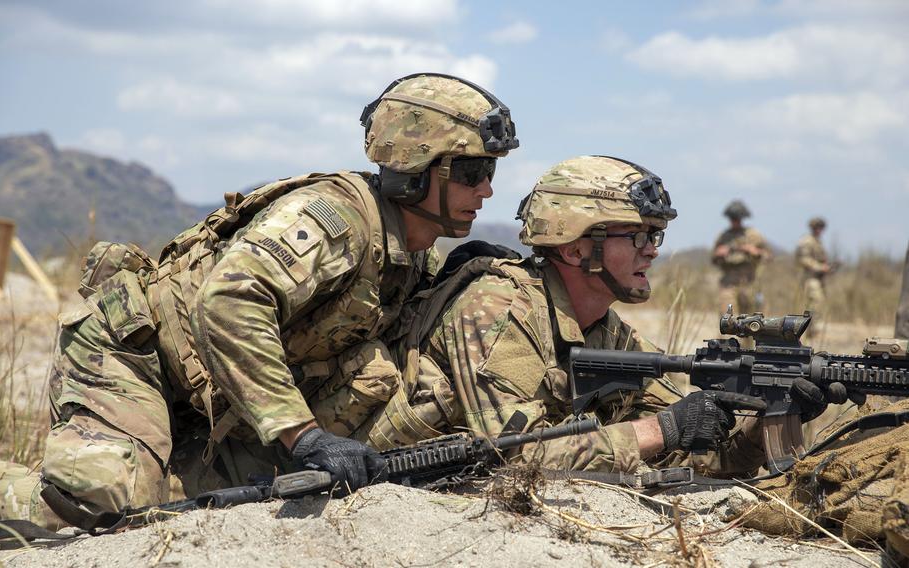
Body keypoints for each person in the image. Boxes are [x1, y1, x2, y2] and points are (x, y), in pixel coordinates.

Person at [0, 72, 519, 530]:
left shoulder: (408, 258)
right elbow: (230, 300)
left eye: (489, 174)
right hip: (135, 354)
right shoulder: (333, 220)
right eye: (472, 173)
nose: (486, 192)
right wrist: (304, 436)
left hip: (215, 394)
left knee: (186, 507)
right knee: (106, 501)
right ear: (417, 169)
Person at [354, 156, 834, 476]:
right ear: (577, 244)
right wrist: (659, 430)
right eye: (639, 236)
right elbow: (512, 457)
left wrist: (769, 414)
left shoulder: (611, 336)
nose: (651, 252)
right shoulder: (497, 308)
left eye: (656, 237)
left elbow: (700, 456)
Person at [711, 200, 771, 317]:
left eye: (737, 219)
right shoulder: (723, 236)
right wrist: (718, 254)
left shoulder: (753, 235)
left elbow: (768, 256)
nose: (735, 222)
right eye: (732, 219)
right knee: (727, 319)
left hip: (749, 282)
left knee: (750, 322)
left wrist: (755, 252)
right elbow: (714, 259)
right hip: (728, 282)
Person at [795, 217, 833, 338]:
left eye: (821, 228)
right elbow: (803, 259)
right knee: (814, 304)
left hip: (818, 279)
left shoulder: (817, 241)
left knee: (818, 304)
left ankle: (812, 330)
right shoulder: (807, 241)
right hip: (810, 279)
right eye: (817, 227)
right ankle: (809, 330)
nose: (819, 230)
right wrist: (820, 267)